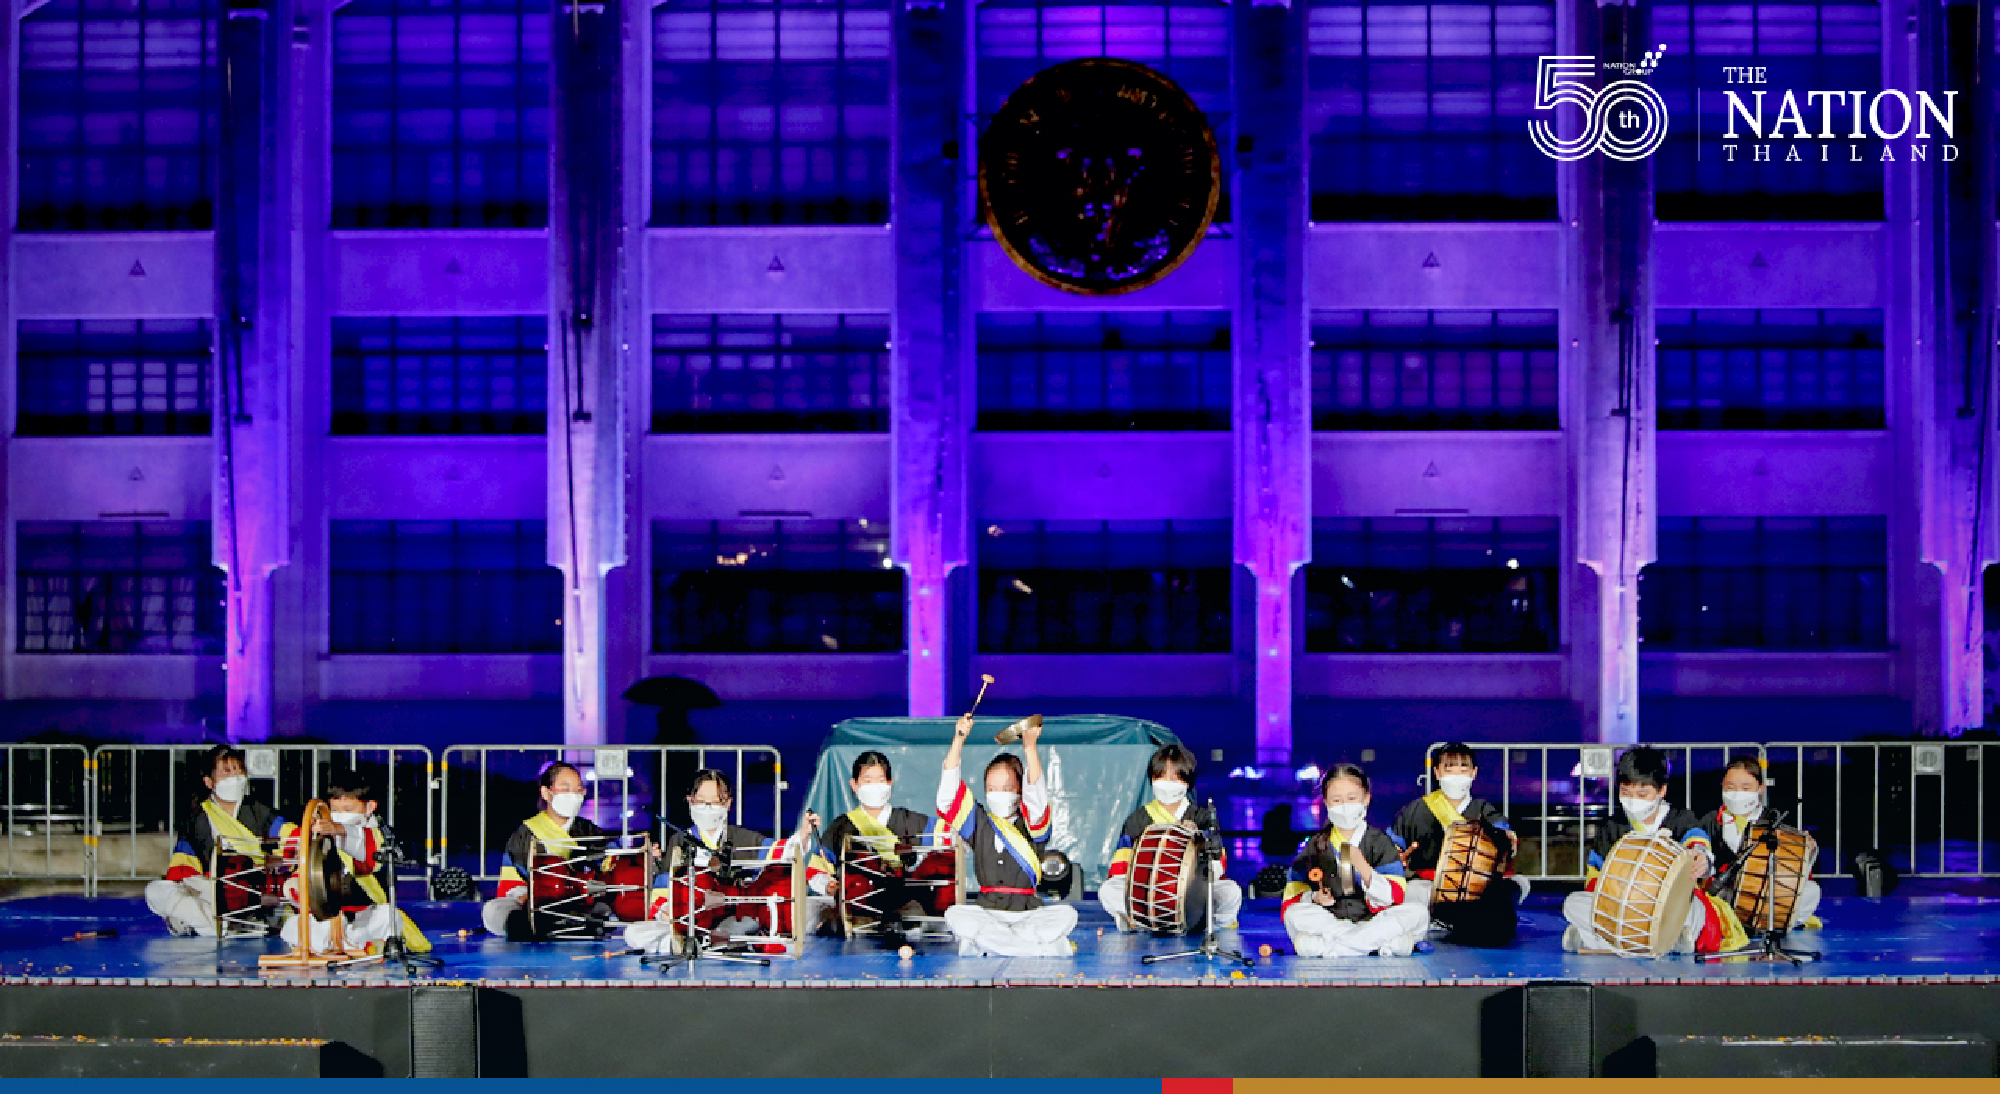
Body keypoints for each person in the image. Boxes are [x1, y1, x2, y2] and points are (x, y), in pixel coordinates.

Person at [1561, 746, 1746, 955]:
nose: (1633, 800)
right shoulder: (1611, 828)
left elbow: (1698, 846)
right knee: (1573, 903)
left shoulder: (1681, 819)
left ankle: (1594, 939)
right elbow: (1595, 882)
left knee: (1694, 908)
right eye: (1625, 792)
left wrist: (1701, 859)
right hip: (1624, 910)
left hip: (1668, 910)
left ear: (1661, 790)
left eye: (1642, 793)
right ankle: (1667, 943)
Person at [624, 769, 828, 953]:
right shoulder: (678, 840)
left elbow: (781, 854)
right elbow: (663, 886)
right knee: (633, 933)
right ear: (689, 801)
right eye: (701, 800)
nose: (707, 807)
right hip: (690, 919)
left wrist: (803, 834)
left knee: (768, 919)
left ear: (728, 803)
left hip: (733, 918)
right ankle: (690, 944)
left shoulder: (744, 838)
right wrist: (664, 911)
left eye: (715, 801)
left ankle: (696, 944)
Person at [937, 712, 1076, 957]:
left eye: (1007, 788)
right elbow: (948, 795)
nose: (998, 794)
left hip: (1028, 912)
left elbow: (1036, 796)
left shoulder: (1032, 823)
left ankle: (989, 945)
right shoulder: (977, 821)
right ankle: (1037, 949)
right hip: (987, 910)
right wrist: (958, 740)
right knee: (955, 914)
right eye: (991, 788)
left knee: (1066, 914)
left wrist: (1029, 747)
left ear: (1020, 790)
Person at [1281, 764, 1430, 957]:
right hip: (1331, 921)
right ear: (1326, 803)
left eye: (1352, 799)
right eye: (1337, 800)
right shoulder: (1316, 845)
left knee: (1418, 912)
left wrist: (1363, 866)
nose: (1345, 806)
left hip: (1375, 920)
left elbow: (1394, 897)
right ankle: (1378, 946)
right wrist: (1314, 898)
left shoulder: (1380, 842)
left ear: (1366, 799)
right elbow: (1294, 895)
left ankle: (1328, 948)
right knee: (1295, 915)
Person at [146, 744, 295, 937]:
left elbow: (290, 838)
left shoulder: (259, 811)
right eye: (226, 772)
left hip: (253, 890)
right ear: (209, 782)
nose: (235, 778)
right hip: (210, 889)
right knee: (155, 891)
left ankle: (204, 924)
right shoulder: (197, 819)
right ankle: (218, 924)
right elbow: (184, 867)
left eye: (238, 771)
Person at [1391, 742, 1526, 947]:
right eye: (1449, 768)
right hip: (1430, 885)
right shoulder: (1414, 810)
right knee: (1414, 891)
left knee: (1518, 884)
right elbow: (1391, 847)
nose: (1457, 774)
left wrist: (1506, 840)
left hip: (1477, 885)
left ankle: (1450, 921)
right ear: (1436, 773)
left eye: (1463, 768)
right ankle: (1451, 921)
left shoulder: (1484, 810)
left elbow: (1506, 841)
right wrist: (1396, 857)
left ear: (1474, 773)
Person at [280, 774, 431, 955]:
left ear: (370, 807)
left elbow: (365, 851)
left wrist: (338, 831)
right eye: (335, 809)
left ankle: (361, 946)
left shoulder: (379, 834)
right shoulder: (322, 828)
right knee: (296, 925)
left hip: (366, 914)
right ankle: (339, 946)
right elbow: (296, 859)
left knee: (388, 917)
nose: (339, 815)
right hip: (328, 914)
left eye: (348, 809)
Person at [1099, 743, 1241, 933]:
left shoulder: (1202, 818)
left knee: (1231, 892)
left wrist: (1196, 838)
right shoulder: (1138, 819)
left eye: (1175, 777)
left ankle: (1195, 923)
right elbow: (1121, 871)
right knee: (1108, 890)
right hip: (1148, 896)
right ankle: (1145, 920)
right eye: (1161, 776)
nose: (1167, 782)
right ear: (1152, 779)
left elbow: (1216, 868)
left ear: (1187, 781)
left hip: (1192, 895)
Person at [483, 761, 624, 940]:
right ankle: (559, 926)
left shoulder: (589, 831)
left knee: (602, 908)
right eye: (565, 790)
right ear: (546, 793)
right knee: (493, 911)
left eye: (578, 790)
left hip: (579, 902)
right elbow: (514, 882)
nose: (574, 795)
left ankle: (548, 927)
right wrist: (528, 895)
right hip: (534, 903)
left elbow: (611, 865)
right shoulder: (526, 832)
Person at [817, 751, 951, 937]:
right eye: (867, 780)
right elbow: (817, 869)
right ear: (854, 785)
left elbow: (952, 839)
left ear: (890, 782)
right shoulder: (841, 827)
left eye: (880, 780)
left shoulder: (910, 821)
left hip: (905, 908)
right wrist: (829, 885)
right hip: (857, 913)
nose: (875, 786)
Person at [1706, 755, 1822, 931]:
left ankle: (1774, 925)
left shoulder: (1772, 820)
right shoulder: (1711, 821)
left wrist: (1809, 851)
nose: (1737, 793)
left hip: (1769, 891)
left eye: (1746, 788)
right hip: (1726, 893)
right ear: (1722, 786)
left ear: (1760, 789)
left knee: (1811, 891)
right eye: (1730, 787)